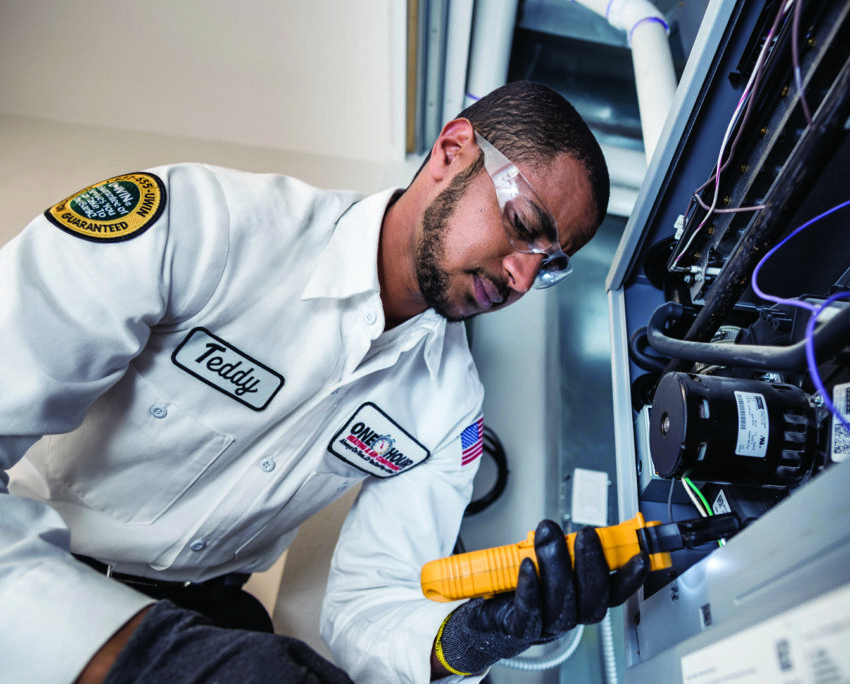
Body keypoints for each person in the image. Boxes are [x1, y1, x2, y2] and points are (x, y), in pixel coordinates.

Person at [0, 80, 648, 683]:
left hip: (210, 615)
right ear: (453, 151)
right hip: (37, 565)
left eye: (551, 265)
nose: (523, 279)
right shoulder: (202, 229)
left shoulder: (449, 410)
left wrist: (464, 638)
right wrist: (141, 656)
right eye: (524, 227)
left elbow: (372, 602)